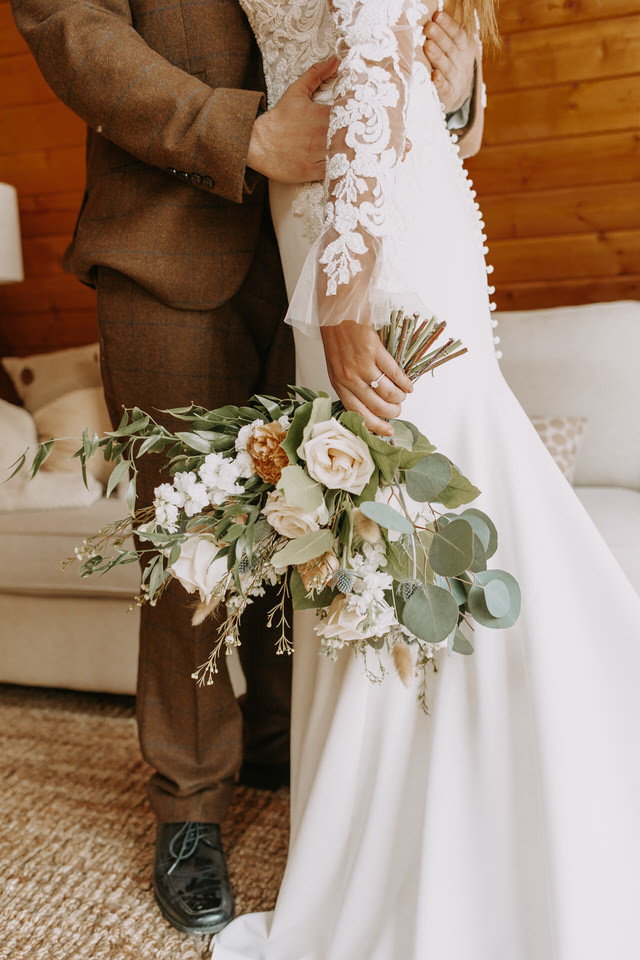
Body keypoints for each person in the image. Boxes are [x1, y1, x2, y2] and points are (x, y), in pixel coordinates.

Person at [10, 0, 482, 936]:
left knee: (312, 526)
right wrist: (241, 133)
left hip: (323, 248)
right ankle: (189, 805)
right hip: (170, 242)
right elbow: (65, 21)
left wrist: (460, 97)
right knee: (188, 544)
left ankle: (279, 744)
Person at [209, 0, 640, 957]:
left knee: (405, 493)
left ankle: (462, 841)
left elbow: (378, 53)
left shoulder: (354, 248)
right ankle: (410, 823)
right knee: (373, 515)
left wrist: (348, 286)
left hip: (365, 211)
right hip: (335, 189)